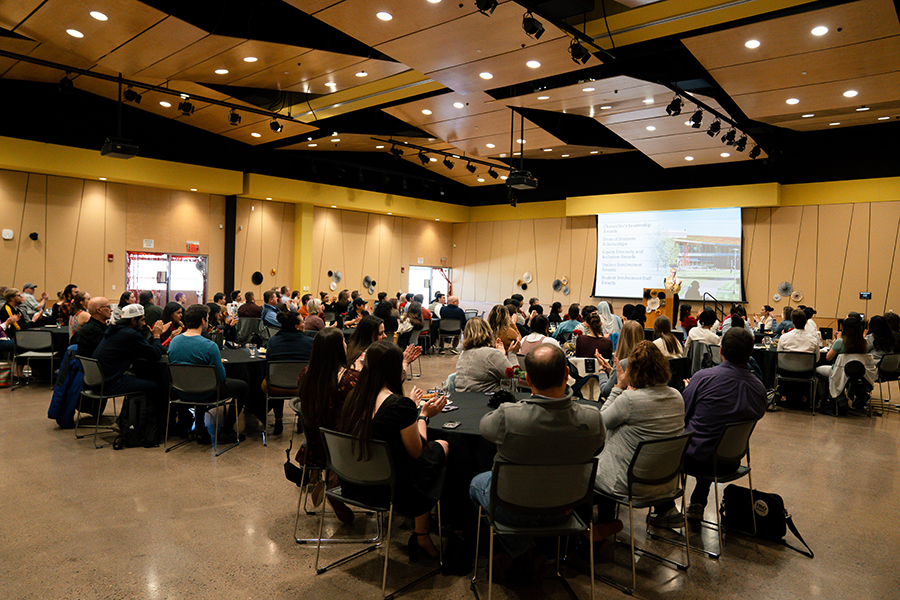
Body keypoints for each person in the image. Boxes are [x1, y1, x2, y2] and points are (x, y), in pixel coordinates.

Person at [469, 344, 605, 577]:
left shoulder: (508, 416)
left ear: (528, 380)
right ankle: (530, 551)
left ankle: (521, 550)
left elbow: (485, 428)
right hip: (565, 506)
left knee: (475, 483)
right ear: (566, 374)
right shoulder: (593, 419)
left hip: (513, 508)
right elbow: (599, 445)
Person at [339, 340, 449, 561]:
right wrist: (422, 416)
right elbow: (418, 452)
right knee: (441, 448)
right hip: (388, 489)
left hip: (353, 482)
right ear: (394, 368)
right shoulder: (398, 406)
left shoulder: (354, 397)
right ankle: (424, 533)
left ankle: (422, 533)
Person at [595, 341, 685, 529]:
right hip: (666, 483)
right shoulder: (677, 397)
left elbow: (600, 424)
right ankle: (665, 511)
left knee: (598, 460)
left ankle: (604, 524)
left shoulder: (629, 400)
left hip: (630, 485)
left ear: (633, 370)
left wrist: (618, 388)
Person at [681, 327, 767, 521]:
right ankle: (697, 502)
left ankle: (665, 509)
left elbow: (682, 415)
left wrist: (689, 391)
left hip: (695, 459)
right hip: (730, 461)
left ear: (720, 351)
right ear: (750, 353)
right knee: (714, 438)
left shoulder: (703, 378)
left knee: (689, 439)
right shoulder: (759, 388)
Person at [298, 327, 361, 520]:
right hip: (344, 447)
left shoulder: (305, 374)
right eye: (343, 341)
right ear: (337, 349)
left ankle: (330, 478)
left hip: (315, 443)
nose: (346, 344)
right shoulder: (349, 379)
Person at [167, 304, 249, 444]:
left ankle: (200, 428)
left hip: (181, 391)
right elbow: (221, 377)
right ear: (204, 321)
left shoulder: (174, 342)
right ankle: (227, 430)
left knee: (199, 381)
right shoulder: (209, 346)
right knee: (243, 386)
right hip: (206, 392)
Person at [92, 303, 170, 417]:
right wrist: (157, 336)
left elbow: (142, 347)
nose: (144, 324)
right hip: (110, 383)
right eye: (142, 320)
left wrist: (154, 337)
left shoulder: (116, 330)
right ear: (133, 321)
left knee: (142, 380)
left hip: (99, 381)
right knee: (158, 385)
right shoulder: (129, 334)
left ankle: (130, 418)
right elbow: (155, 354)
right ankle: (157, 423)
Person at [455, 318, 521, 393]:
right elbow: (517, 375)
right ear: (488, 332)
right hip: (487, 400)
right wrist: (512, 353)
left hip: (464, 398)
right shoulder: (492, 355)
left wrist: (500, 355)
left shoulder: (463, 355)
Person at [816, 315, 867, 393]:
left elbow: (828, 358)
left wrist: (837, 340)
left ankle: (825, 395)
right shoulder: (863, 343)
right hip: (857, 372)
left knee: (817, 370)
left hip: (838, 371)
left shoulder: (840, 342)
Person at [599, 320, 646, 399]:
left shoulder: (624, 363)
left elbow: (605, 391)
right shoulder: (646, 360)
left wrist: (601, 371)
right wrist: (611, 370)